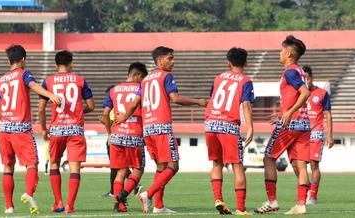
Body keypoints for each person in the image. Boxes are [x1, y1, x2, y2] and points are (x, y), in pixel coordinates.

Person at [116, 46, 207, 213]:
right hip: (162, 127)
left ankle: (158, 206)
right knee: (174, 165)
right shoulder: (166, 76)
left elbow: (135, 103)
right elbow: (175, 98)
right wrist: (198, 102)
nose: (173, 62)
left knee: (161, 167)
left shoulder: (146, 79)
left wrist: (124, 116)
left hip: (148, 129)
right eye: (170, 58)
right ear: (159, 61)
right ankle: (148, 195)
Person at [0, 44, 61, 214]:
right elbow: (33, 85)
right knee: (32, 165)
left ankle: (9, 206)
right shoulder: (24, 74)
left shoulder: (0, 81)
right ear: (23, 59)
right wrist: (50, 94)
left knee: (8, 167)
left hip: (3, 129)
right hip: (20, 128)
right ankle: (29, 193)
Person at [254, 35, 311, 215]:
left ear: (287, 53)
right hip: (303, 124)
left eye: (281, 50)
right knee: (301, 165)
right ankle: (301, 204)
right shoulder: (300, 71)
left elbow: (305, 93)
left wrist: (288, 112)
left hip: (290, 125)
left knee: (269, 158)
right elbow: (295, 95)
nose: (279, 53)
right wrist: (281, 113)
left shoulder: (290, 72)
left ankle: (272, 201)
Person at [38, 50, 95, 214]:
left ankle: (59, 203)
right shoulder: (80, 81)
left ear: (56, 65)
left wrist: (43, 129)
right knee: (75, 167)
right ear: (71, 63)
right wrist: (78, 111)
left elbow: (41, 109)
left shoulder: (48, 82)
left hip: (56, 129)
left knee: (54, 163)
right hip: (75, 129)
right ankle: (70, 205)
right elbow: (91, 106)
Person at [205, 47, 254, 215]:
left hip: (210, 123)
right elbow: (246, 105)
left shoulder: (218, 78)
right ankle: (241, 208)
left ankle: (218, 198)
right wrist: (250, 127)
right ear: (246, 63)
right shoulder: (245, 80)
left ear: (228, 62)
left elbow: (212, 99)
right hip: (228, 125)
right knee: (237, 165)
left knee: (216, 162)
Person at [103, 62, 148, 212]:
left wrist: (110, 133)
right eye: (142, 77)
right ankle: (123, 194)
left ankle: (118, 204)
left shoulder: (113, 90)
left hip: (116, 135)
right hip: (134, 134)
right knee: (138, 168)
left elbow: (105, 114)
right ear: (138, 75)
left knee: (120, 171)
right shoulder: (141, 88)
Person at [303, 65, 334, 205]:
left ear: (312, 78)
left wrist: (330, 135)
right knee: (298, 165)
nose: (305, 82)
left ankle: (313, 196)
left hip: (316, 133)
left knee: (314, 165)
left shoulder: (322, 93)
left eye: (307, 79)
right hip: (301, 133)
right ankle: (309, 189)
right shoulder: (298, 93)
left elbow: (328, 115)